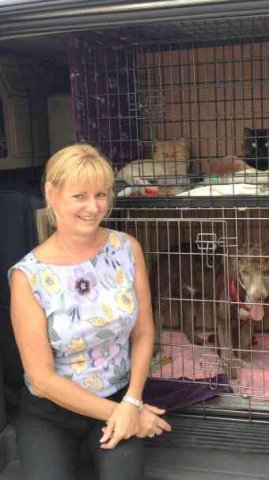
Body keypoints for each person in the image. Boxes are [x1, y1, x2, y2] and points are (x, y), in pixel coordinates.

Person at [8, 144, 171, 480]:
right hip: (50, 412)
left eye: (101, 194)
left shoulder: (126, 249)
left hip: (119, 394)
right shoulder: (29, 276)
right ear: (51, 194)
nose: (94, 207)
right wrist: (127, 415)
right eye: (79, 196)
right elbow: (41, 377)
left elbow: (143, 334)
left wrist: (132, 401)